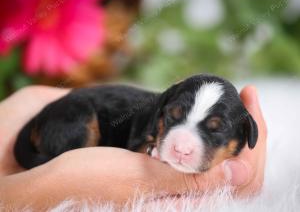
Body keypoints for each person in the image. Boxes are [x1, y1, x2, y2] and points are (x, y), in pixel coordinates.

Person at [0, 85, 267, 210]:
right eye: (175, 117)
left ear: (245, 134)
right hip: (72, 114)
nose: (183, 146)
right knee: (81, 126)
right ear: (161, 113)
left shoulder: (241, 133)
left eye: (215, 129)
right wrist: (42, 183)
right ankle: (50, 159)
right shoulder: (150, 127)